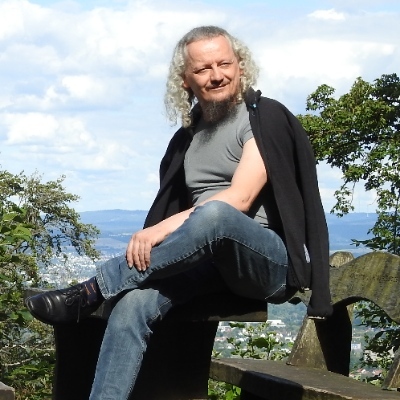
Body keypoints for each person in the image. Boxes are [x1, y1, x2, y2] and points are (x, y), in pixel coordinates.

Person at [26, 25, 333, 399]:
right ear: (185, 80)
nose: (216, 75)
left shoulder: (262, 117)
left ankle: (93, 289)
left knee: (216, 214)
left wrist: (160, 230)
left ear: (240, 66)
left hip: (264, 262)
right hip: (208, 263)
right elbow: (179, 204)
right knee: (132, 305)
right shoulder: (189, 135)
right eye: (203, 68)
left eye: (225, 64)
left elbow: (239, 199)